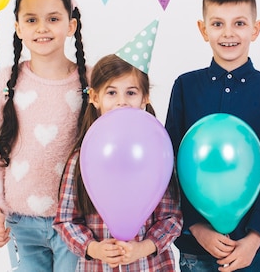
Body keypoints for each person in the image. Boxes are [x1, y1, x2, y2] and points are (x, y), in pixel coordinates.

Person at [165, 0, 260, 272]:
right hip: (195, 248)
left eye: (239, 23)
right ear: (203, 29)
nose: (228, 33)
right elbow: (171, 164)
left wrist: (255, 236)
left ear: (256, 29)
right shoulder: (185, 87)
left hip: (253, 251)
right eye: (218, 24)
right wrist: (196, 227)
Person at [0, 0, 89, 272]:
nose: (42, 28)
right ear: (17, 27)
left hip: (76, 222)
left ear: (71, 25)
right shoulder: (4, 83)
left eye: (53, 18)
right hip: (20, 222)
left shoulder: (91, 82)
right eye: (31, 20)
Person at [54, 45, 183, 271]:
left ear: (145, 98)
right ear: (95, 97)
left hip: (150, 266)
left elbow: (172, 217)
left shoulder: (158, 154)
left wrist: (142, 247)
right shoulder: (81, 156)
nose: (122, 101)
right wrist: (94, 248)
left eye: (131, 93)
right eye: (111, 93)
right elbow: (65, 220)